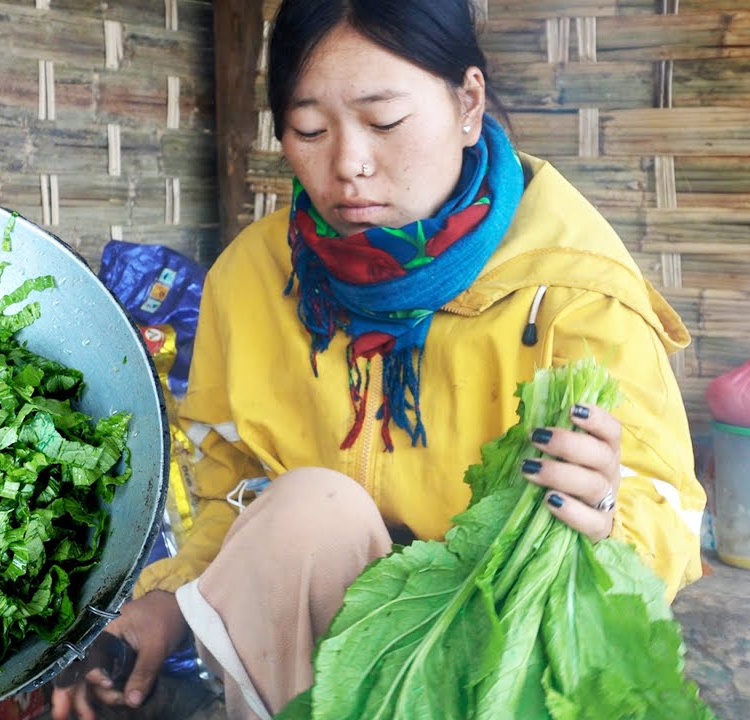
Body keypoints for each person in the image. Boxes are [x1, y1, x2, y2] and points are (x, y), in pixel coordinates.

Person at [52, 0, 707, 718]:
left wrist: (607, 520)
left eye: (385, 121)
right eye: (310, 130)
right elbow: (231, 491)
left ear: (467, 104)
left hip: (495, 651)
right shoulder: (254, 278)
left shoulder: (573, 292)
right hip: (312, 658)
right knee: (308, 511)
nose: (347, 165)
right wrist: (170, 603)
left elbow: (664, 513)